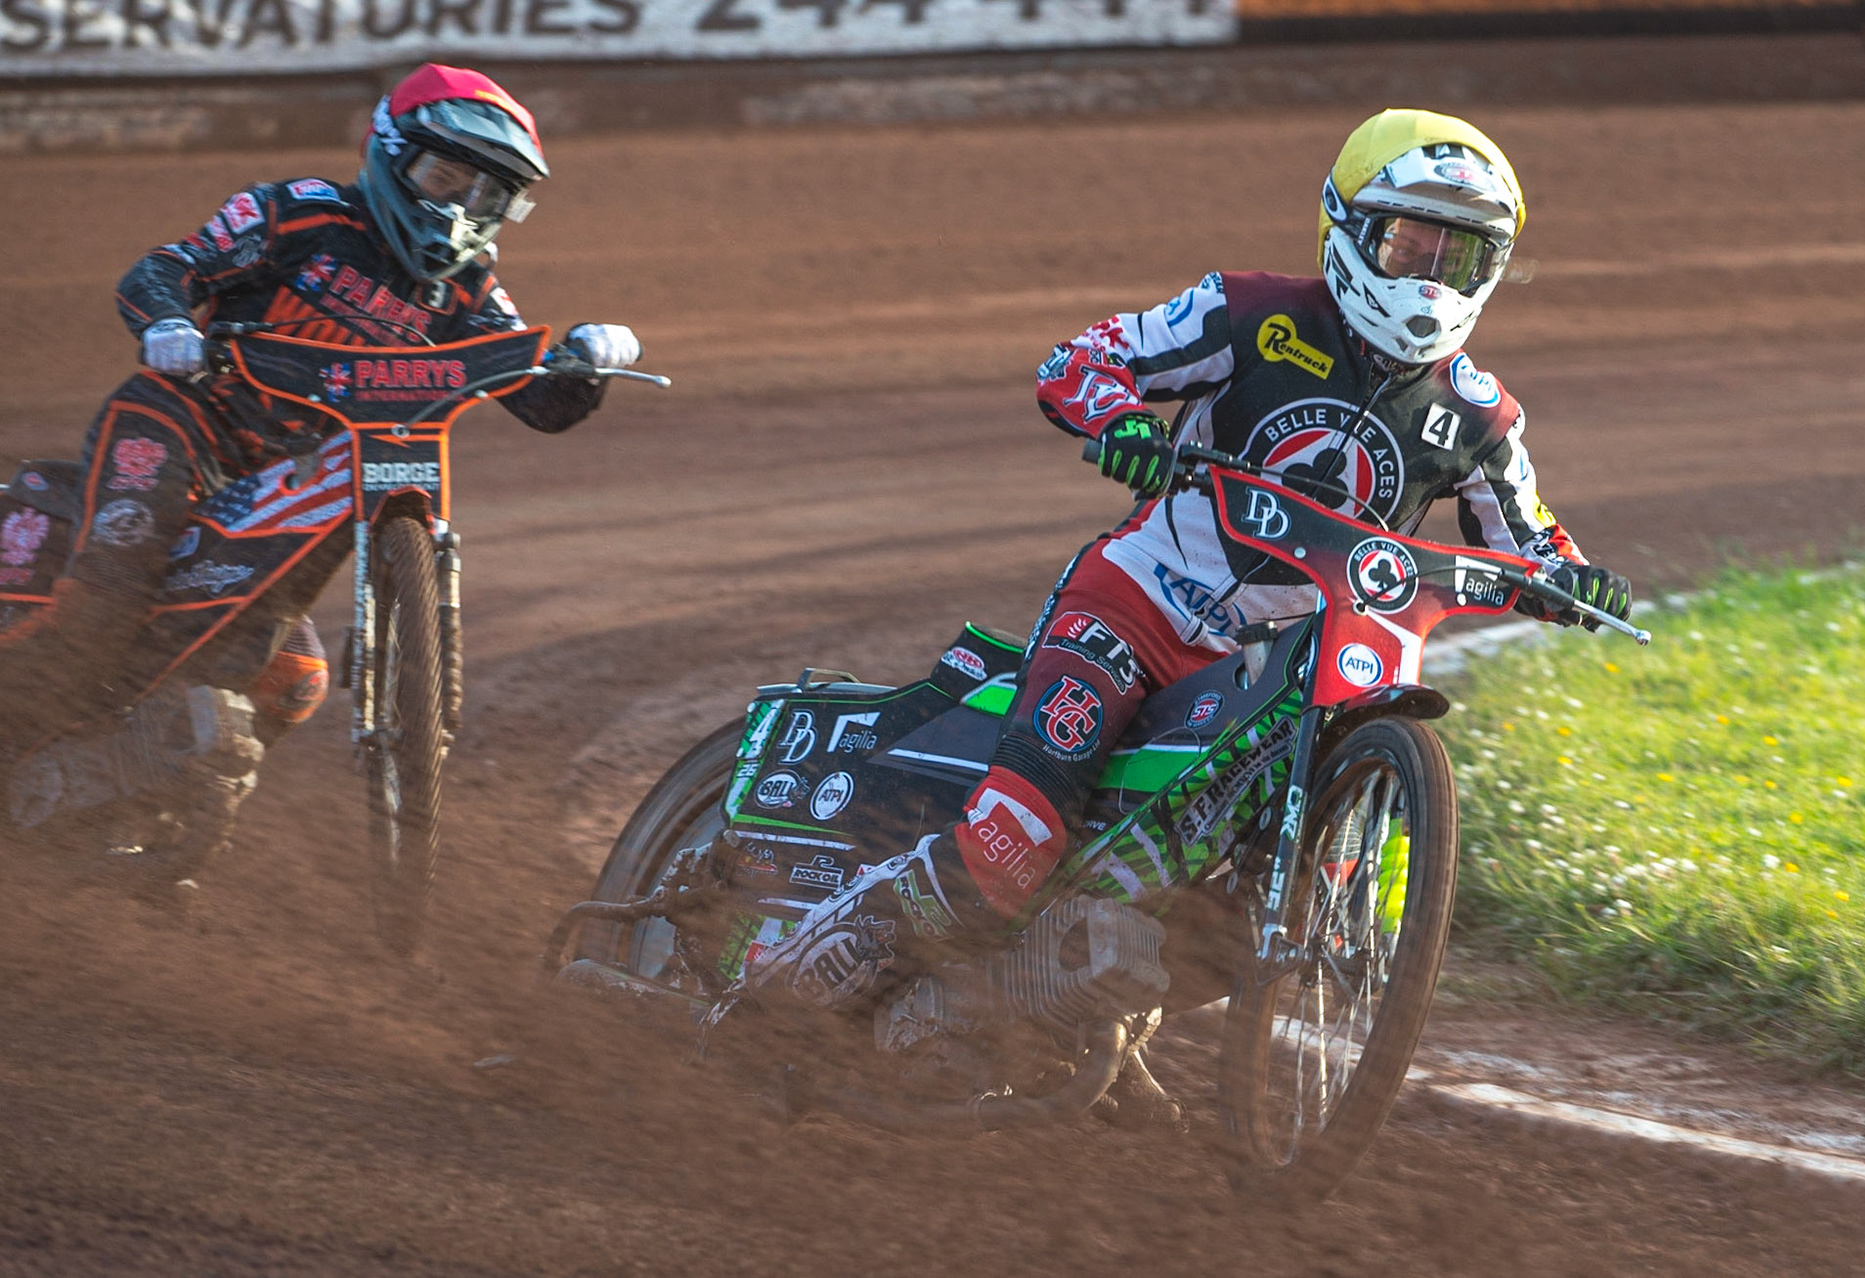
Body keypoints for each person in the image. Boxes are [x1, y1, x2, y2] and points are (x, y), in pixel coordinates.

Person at [746, 108, 1634, 1011]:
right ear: (1350, 229)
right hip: (1140, 607)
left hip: (1287, 673)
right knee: (1014, 841)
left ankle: (1067, 1008)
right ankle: (789, 981)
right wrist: (1122, 422)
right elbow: (1088, 357)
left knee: (1238, 919)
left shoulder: (1483, 416)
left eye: (1461, 257)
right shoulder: (1249, 312)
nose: (1431, 278)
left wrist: (1579, 580)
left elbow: (1533, 540)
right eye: (1411, 245)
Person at [0, 64, 641, 878]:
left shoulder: (467, 291)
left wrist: (587, 360)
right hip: (184, 421)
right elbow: (163, 269)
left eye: (488, 194)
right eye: (445, 176)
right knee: (114, 587)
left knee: (293, 678)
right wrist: (167, 322)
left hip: (285, 479)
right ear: (390, 153)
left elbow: (541, 403)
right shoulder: (298, 213)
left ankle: (124, 806)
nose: (459, 207)